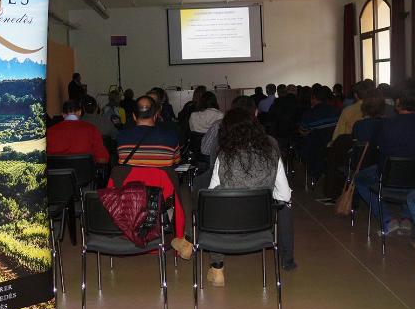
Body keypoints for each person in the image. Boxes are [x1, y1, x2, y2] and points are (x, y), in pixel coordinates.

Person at [206, 108, 294, 286]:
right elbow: (284, 196)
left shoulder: (224, 156)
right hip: (261, 225)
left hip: (226, 225)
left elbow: (212, 194)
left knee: (207, 209)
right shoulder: (272, 154)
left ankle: (217, 267)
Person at [354, 80, 415, 234]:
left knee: (360, 178)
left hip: (388, 178)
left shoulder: (386, 125)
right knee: (409, 171)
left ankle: (388, 219)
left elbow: (379, 150)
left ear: (398, 102)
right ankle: (406, 219)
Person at [115, 96, 188, 257]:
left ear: (133, 117)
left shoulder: (122, 138)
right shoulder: (170, 137)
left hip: (131, 198)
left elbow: (122, 163)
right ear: (156, 115)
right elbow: (175, 162)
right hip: (160, 199)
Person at [47, 99, 109, 164]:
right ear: (80, 112)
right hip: (85, 173)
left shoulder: (50, 131)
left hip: (56, 173)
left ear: (63, 114)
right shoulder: (92, 129)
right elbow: (103, 159)